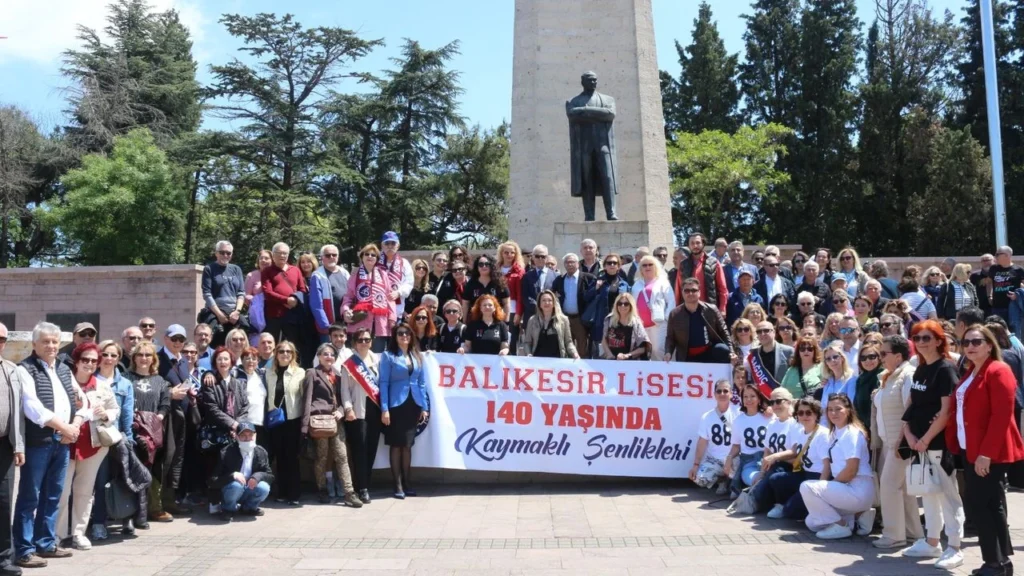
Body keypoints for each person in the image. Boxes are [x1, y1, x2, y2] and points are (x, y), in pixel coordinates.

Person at [948, 325, 1024, 576]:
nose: (970, 346)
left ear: (990, 345)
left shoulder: (998, 370)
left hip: (989, 452)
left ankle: (994, 563)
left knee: (981, 505)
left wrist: (986, 454)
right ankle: (1000, 562)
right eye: (966, 342)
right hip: (971, 449)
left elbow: (1002, 416)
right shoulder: (971, 370)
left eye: (977, 341)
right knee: (991, 505)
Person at [12, 323, 83, 568]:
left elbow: (81, 400)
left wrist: (73, 426)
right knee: (30, 497)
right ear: (34, 344)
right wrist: (65, 428)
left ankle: (46, 543)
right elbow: (33, 409)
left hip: (62, 442)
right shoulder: (25, 369)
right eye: (45, 341)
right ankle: (24, 550)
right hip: (38, 442)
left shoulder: (64, 368)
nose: (51, 346)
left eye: (54, 341)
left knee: (53, 495)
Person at [898, 320, 965, 568]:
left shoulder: (946, 369)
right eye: (917, 338)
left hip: (938, 442)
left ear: (939, 340)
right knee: (928, 493)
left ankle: (955, 547)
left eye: (927, 338)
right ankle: (932, 541)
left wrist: (925, 438)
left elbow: (946, 411)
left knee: (948, 495)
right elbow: (912, 405)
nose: (921, 343)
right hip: (919, 443)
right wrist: (909, 434)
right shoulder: (920, 369)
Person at [56, 343, 118, 551]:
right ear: (77, 360)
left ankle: (78, 533)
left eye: (94, 360)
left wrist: (105, 414)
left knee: (84, 491)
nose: (90, 364)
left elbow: (114, 409)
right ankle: (58, 533)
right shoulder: (64, 381)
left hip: (93, 445)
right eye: (85, 359)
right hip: (65, 443)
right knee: (62, 491)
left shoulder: (101, 385)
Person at [870, 334, 925, 550]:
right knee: (902, 489)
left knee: (890, 487)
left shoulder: (907, 375)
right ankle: (913, 534)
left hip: (900, 443)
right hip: (889, 441)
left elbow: (910, 410)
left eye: (884, 353)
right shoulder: (890, 375)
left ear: (898, 355)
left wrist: (903, 441)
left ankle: (893, 535)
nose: (880, 357)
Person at [799, 393, 876, 539]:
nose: (833, 413)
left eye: (838, 409)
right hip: (847, 490)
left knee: (807, 487)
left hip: (857, 489)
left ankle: (842, 526)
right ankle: (860, 516)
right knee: (812, 522)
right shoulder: (835, 432)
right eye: (830, 409)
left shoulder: (851, 433)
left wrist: (829, 487)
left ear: (848, 410)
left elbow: (851, 469)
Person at [302, 344, 361, 507]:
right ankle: (322, 489)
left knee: (342, 456)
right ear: (319, 356)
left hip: (336, 421)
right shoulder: (312, 373)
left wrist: (342, 410)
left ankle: (349, 492)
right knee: (322, 457)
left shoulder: (339, 375)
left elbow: (344, 397)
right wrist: (304, 426)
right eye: (325, 354)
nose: (329, 357)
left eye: (331, 355)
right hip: (319, 421)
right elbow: (307, 400)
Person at [123, 341, 170, 534]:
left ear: (154, 359)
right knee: (129, 474)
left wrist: (154, 421)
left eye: (148, 355)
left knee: (148, 473)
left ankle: (144, 514)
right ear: (134, 358)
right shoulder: (126, 378)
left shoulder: (160, 381)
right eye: (140, 354)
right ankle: (127, 516)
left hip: (152, 435)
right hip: (131, 432)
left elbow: (164, 405)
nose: (144, 358)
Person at [379, 325, 429, 499]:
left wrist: (424, 407)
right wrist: (384, 409)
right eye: (400, 333)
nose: (404, 336)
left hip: (413, 404)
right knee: (396, 445)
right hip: (396, 405)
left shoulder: (417, 355)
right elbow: (383, 383)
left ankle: (407, 482)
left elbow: (422, 383)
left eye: (407, 333)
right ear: (395, 336)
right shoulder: (388, 356)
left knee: (407, 445)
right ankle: (397, 484)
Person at [200, 347, 249, 514]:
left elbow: (244, 407)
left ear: (232, 362)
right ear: (215, 362)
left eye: (226, 359)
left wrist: (239, 425)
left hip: (235, 433)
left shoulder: (238, 383)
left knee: (232, 468)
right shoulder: (210, 380)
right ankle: (214, 502)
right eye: (219, 359)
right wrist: (233, 425)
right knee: (215, 468)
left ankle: (230, 501)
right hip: (216, 434)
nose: (223, 362)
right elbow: (212, 409)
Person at [764, 398, 829, 520]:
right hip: (804, 474)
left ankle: (817, 510)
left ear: (816, 414)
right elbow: (794, 451)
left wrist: (821, 490)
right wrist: (774, 456)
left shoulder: (823, 434)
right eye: (800, 413)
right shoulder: (800, 432)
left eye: (809, 412)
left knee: (790, 512)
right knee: (776, 478)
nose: (804, 416)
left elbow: (827, 465)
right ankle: (783, 504)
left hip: (817, 477)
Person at [339, 328, 381, 504]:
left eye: (367, 339)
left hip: (376, 409)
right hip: (358, 411)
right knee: (360, 450)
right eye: (361, 340)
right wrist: (348, 409)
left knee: (371, 449)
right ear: (354, 343)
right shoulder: (349, 364)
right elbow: (345, 390)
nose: (364, 342)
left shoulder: (378, 361)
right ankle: (362, 488)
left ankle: (366, 484)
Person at [264, 340, 305, 506]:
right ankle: (282, 491)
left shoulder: (300, 372)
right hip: (276, 421)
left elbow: (304, 396)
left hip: (292, 421)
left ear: (293, 354)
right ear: (276, 354)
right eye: (281, 351)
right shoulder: (268, 372)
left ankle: (294, 493)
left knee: (292, 458)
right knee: (279, 458)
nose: (285, 354)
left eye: (289, 351)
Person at [209, 422, 272, 521]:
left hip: (249, 489)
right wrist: (232, 476)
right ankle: (228, 509)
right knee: (236, 485)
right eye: (243, 436)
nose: (247, 439)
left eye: (250, 435)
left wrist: (257, 477)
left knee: (264, 488)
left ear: (255, 436)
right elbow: (213, 481)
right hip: (231, 490)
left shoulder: (261, 452)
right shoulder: (226, 452)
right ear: (237, 437)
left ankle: (248, 508)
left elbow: (270, 475)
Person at [0, 324, 24, 574]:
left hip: (4, 446)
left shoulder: (11, 370)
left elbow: (17, 412)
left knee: (4, 502)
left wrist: (18, 445)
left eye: (2, 339)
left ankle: (4, 559)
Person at [664, 277, 733, 364]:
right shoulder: (674, 314)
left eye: (694, 290)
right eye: (687, 291)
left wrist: (732, 352)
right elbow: (670, 337)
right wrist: (668, 352)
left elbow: (724, 331)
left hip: (709, 352)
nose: (690, 293)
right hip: (686, 355)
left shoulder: (711, 310)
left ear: (699, 292)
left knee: (722, 349)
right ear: (682, 293)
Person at [752, 388, 800, 511]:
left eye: (778, 401)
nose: (775, 405)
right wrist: (762, 473)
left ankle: (782, 503)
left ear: (788, 402)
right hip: (773, 465)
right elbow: (767, 450)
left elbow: (795, 452)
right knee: (759, 495)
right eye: (771, 402)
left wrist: (775, 457)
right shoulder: (772, 424)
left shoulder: (795, 423)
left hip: (790, 466)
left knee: (762, 494)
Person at [342, 244, 395, 354]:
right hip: (360, 322)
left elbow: (389, 297)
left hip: (379, 323)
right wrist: (345, 311)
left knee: (377, 357)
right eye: (367, 254)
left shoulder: (383, 274)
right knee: (357, 357)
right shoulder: (355, 275)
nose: (370, 257)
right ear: (362, 257)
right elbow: (348, 297)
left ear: (377, 258)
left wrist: (392, 318)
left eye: (373, 255)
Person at [689, 380, 739, 496]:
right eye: (719, 391)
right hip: (714, 460)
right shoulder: (707, 417)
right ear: (714, 394)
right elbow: (702, 442)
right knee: (699, 479)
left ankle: (730, 481)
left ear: (731, 394)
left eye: (725, 391)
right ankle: (722, 479)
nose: (722, 394)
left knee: (735, 492)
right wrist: (695, 465)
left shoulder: (739, 413)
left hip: (734, 458)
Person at [723, 384, 771, 498]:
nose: (749, 399)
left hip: (767, 460)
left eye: (752, 396)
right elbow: (736, 446)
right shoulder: (738, 421)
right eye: (745, 396)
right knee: (755, 478)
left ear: (759, 398)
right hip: (748, 462)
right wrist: (729, 458)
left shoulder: (769, 417)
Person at [200, 241, 247, 348]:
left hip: (233, 313)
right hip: (215, 311)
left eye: (228, 253)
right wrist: (219, 314)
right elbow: (207, 294)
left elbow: (241, 293)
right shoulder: (209, 269)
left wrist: (237, 311)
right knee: (213, 336)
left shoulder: (236, 269)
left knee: (245, 329)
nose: (225, 255)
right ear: (216, 253)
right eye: (222, 252)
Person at [261, 242, 307, 347]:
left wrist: (295, 300)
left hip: (293, 314)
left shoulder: (295, 270)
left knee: (293, 345)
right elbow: (267, 292)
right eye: (279, 253)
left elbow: (303, 289)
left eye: (285, 253)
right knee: (273, 345)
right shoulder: (267, 271)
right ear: (273, 255)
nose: (282, 255)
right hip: (274, 315)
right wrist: (286, 300)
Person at [584, 254, 629, 359]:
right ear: (605, 266)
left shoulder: (624, 284)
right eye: (609, 263)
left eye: (615, 263)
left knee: (617, 353)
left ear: (619, 266)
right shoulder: (598, 281)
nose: (612, 265)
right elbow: (586, 297)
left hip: (618, 323)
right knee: (598, 354)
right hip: (600, 322)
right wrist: (595, 288)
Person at [630, 255, 675, 360]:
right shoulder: (636, 284)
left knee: (658, 349)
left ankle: (668, 372)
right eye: (644, 265)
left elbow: (671, 301)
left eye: (650, 264)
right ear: (640, 269)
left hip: (659, 324)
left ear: (656, 267)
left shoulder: (663, 282)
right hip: (641, 326)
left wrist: (667, 318)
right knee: (647, 351)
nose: (647, 267)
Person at [553, 252, 595, 358]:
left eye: (572, 262)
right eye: (567, 262)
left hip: (580, 318)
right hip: (564, 319)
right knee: (565, 346)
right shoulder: (559, 280)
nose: (570, 264)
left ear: (578, 264)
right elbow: (553, 294)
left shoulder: (588, 278)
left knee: (582, 348)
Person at [310, 244, 351, 344]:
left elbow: (351, 295)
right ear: (322, 257)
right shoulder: (317, 275)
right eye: (328, 255)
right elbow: (316, 305)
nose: (331, 257)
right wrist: (326, 327)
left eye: (334, 255)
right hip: (329, 327)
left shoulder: (344, 272)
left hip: (345, 325)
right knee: (329, 355)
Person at [677, 233, 727, 313]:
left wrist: (722, 308)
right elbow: (679, 289)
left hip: (709, 308)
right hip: (688, 309)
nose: (695, 246)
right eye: (692, 243)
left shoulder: (714, 263)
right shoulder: (683, 265)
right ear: (689, 245)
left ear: (703, 244)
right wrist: (678, 309)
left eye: (698, 243)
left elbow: (722, 288)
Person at [521, 290, 579, 359]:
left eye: (550, 300)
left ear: (554, 303)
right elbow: (527, 342)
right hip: (537, 363)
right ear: (539, 304)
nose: (547, 303)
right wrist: (528, 353)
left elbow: (568, 342)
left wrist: (575, 354)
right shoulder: (532, 320)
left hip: (558, 363)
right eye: (544, 300)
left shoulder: (564, 320)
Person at [746, 322, 793, 396]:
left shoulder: (788, 351)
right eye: (759, 332)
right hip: (761, 400)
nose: (762, 334)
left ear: (774, 332)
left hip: (781, 398)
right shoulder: (753, 355)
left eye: (766, 330)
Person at [600, 293, 650, 360]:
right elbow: (604, 340)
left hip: (630, 361)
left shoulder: (636, 322)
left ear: (631, 306)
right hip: (611, 359)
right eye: (619, 303)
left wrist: (627, 355)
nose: (622, 306)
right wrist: (609, 355)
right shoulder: (609, 319)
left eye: (626, 304)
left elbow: (644, 347)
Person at [461, 254, 510, 321]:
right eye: (481, 264)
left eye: (487, 264)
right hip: (476, 321)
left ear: (492, 266)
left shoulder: (499, 283)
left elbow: (506, 303)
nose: (484, 266)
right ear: (477, 267)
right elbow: (465, 304)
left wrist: (506, 321)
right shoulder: (470, 284)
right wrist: (464, 321)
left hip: (496, 321)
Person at [378, 232, 414, 318]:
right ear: (382, 246)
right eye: (387, 243)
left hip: (396, 311)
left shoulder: (404, 263)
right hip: (378, 310)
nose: (390, 246)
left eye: (393, 243)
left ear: (398, 246)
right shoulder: (375, 262)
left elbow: (409, 283)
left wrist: (398, 292)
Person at [497, 241, 526, 346]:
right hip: (496, 308)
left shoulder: (519, 271)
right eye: (506, 252)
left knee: (511, 340)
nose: (509, 255)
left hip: (513, 309)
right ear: (501, 253)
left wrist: (518, 313)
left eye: (512, 252)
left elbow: (520, 294)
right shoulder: (495, 269)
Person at [988, 246, 1024, 330]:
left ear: (1007, 255)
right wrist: (989, 296)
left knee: (1014, 330)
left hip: (1014, 306)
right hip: (997, 306)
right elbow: (989, 283)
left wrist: (1017, 295)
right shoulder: (993, 268)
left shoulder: (1018, 270)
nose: (995, 256)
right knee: (997, 330)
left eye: (997, 254)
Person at [853, 344, 881, 429]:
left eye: (872, 357)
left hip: (879, 427)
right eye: (863, 358)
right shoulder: (860, 379)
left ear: (879, 357)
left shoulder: (883, 375)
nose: (867, 361)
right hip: (864, 427)